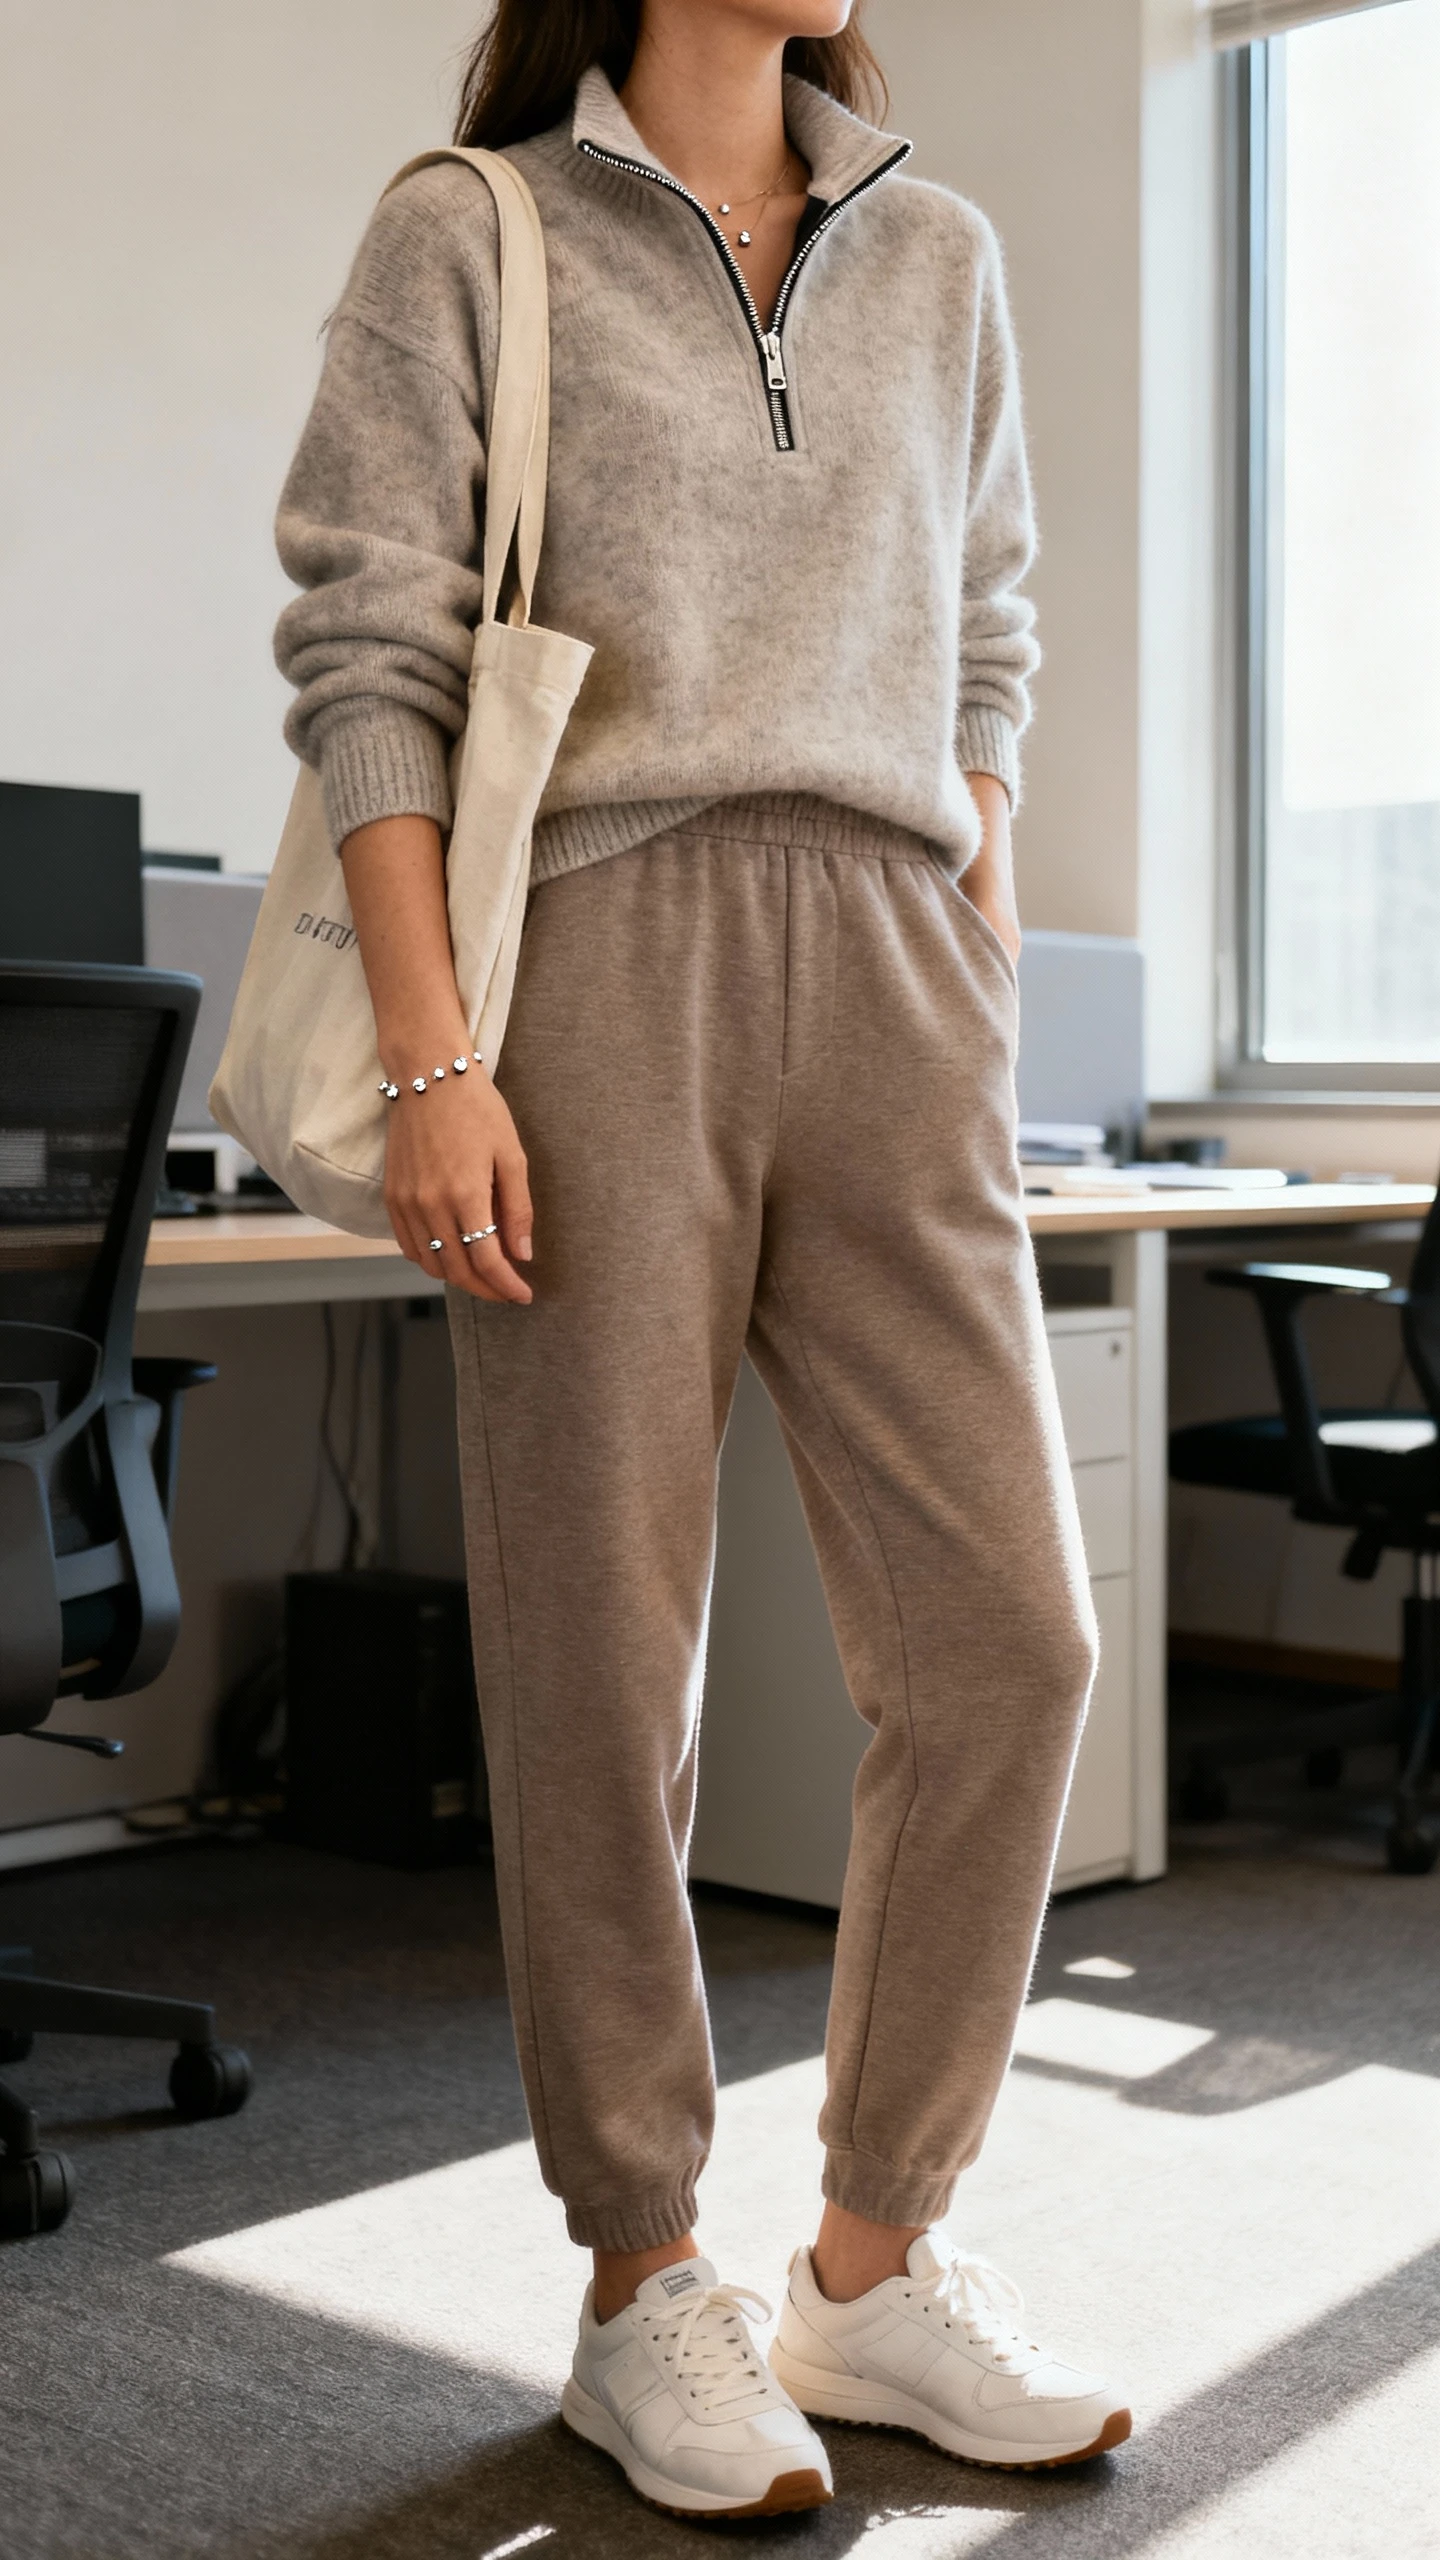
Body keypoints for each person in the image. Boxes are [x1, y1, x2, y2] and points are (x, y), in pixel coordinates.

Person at [274, 0, 1131, 2520]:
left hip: (891, 969)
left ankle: (864, 2268)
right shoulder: (482, 230)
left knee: (1009, 1637)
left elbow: (993, 615)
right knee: (598, 1667)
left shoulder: (940, 254)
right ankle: (645, 2275)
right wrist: (439, 1059)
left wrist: (969, 895)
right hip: (599, 970)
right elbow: (370, 658)